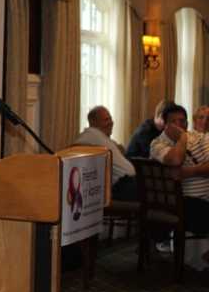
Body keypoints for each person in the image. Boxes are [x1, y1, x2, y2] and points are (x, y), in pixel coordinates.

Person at [149, 103, 209, 240]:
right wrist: (182, 138)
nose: (178, 125)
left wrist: (188, 172)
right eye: (173, 121)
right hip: (183, 203)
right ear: (165, 124)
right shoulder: (157, 144)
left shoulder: (200, 137)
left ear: (187, 123)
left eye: (182, 121)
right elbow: (176, 159)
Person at [73, 105, 136, 200]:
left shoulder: (100, 137)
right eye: (106, 120)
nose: (111, 123)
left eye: (110, 119)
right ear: (93, 122)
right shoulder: (90, 134)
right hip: (120, 187)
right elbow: (74, 147)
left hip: (126, 183)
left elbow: (120, 149)